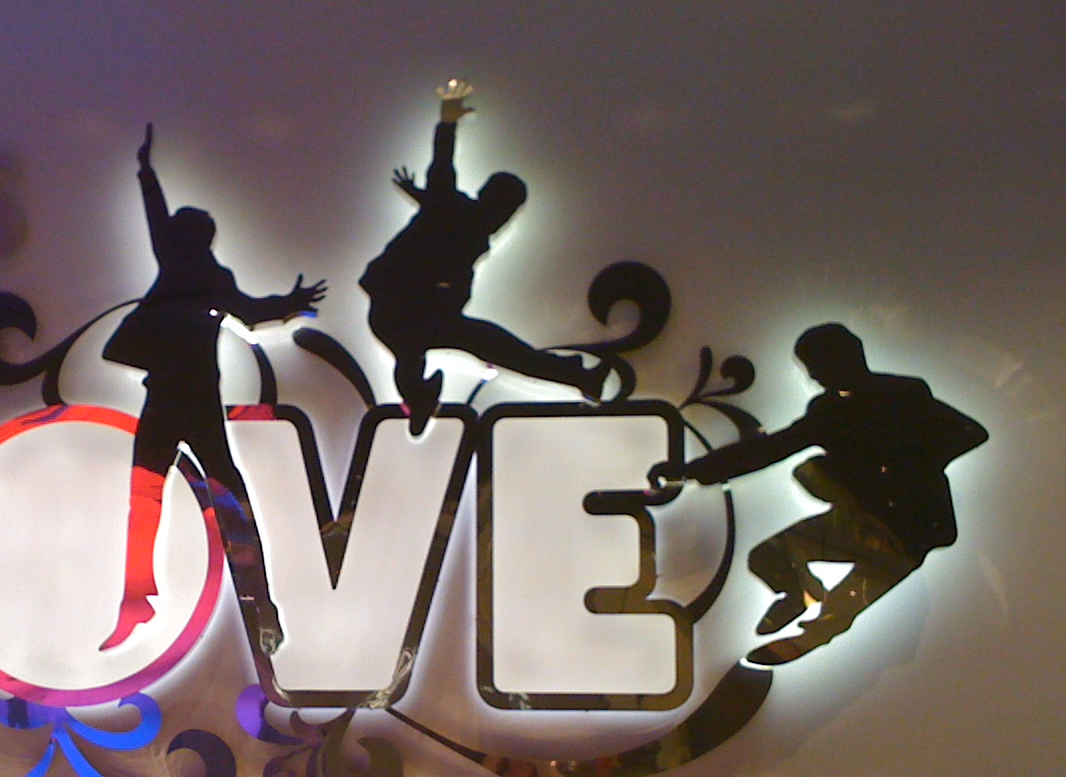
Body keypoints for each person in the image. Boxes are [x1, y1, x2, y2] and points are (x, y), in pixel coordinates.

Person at [99, 124, 324, 654]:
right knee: (183, 497)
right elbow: (253, 310)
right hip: (183, 399)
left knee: (166, 497)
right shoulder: (196, 272)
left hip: (181, 401)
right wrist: (146, 174)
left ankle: (252, 603)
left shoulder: (190, 272)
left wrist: (147, 174)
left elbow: (248, 308)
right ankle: (168, 598)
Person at [651, 323, 988, 664]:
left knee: (847, 601)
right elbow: (770, 449)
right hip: (859, 519)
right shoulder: (829, 411)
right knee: (767, 556)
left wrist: (905, 472)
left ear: (847, 356)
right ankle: (800, 594)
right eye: (810, 368)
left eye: (817, 366)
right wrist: (691, 471)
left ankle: (806, 638)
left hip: (911, 529)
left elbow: (970, 433)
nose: (813, 376)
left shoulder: (904, 394)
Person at [361, 79, 597, 434]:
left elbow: (438, 200)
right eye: (505, 208)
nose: (505, 218)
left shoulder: (466, 223)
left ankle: (576, 376)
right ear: (489, 200)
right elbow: (442, 167)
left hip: (415, 314)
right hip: (400, 308)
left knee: (473, 346)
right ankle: (575, 375)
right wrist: (447, 122)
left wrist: (420, 194)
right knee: (480, 344)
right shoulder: (455, 211)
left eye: (510, 212)